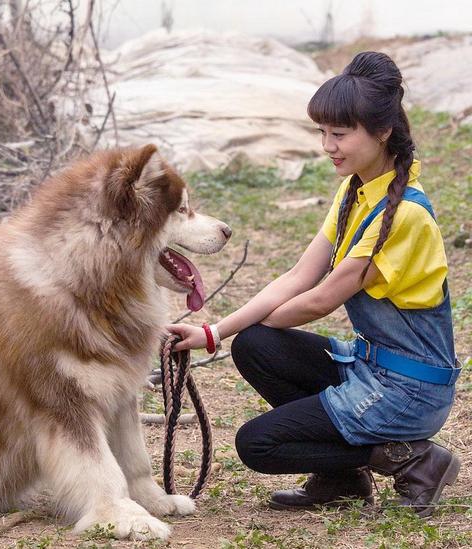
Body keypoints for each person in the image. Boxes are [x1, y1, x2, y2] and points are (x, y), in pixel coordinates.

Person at [167, 51, 461, 517]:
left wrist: (253, 319)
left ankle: (411, 459)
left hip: (408, 392)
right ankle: (341, 479)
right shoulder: (355, 192)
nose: (328, 145)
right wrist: (214, 333)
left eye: (339, 134)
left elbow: (320, 299)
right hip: (374, 370)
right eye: (322, 132)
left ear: (382, 132)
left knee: (257, 444)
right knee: (256, 344)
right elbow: (299, 276)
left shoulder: (403, 216)